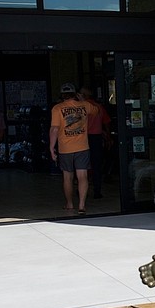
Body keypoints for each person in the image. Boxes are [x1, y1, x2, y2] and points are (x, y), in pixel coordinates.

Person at [49, 82, 99, 215]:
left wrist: (51, 147)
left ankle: (70, 204)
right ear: (75, 94)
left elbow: (54, 129)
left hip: (65, 148)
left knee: (67, 177)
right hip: (82, 147)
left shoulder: (57, 108)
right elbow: (96, 110)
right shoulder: (85, 105)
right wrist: (83, 100)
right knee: (82, 177)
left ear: (62, 95)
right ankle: (82, 205)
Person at [78, 86, 112, 199]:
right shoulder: (99, 107)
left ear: (84, 96)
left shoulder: (80, 107)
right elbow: (106, 122)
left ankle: (82, 191)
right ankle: (97, 191)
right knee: (96, 165)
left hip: (83, 138)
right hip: (96, 138)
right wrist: (108, 136)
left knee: (82, 165)